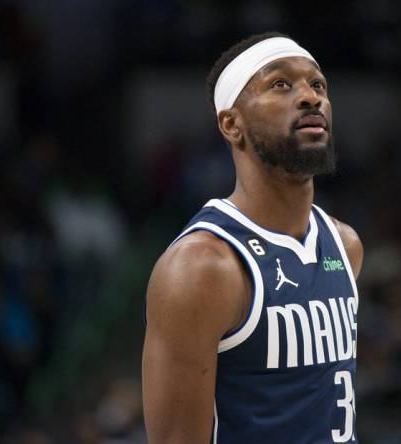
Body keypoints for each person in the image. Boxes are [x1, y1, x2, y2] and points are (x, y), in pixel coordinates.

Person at [142, 32, 364, 444]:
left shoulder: (344, 244)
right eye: (280, 84)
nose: (310, 97)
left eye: (318, 85)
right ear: (231, 124)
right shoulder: (202, 267)